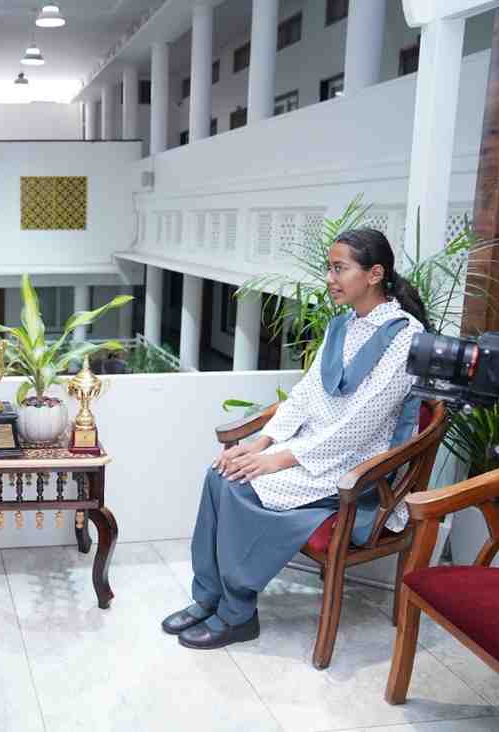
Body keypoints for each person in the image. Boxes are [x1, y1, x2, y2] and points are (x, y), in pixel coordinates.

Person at [161, 228, 430, 649]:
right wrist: (262, 442)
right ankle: (209, 596)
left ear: (375, 274)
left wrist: (279, 460)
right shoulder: (343, 325)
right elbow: (305, 394)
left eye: (339, 269)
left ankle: (237, 614)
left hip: (358, 468)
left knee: (240, 486)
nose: (330, 278)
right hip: (312, 450)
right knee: (220, 474)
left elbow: (359, 424)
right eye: (329, 268)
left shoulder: (406, 338)